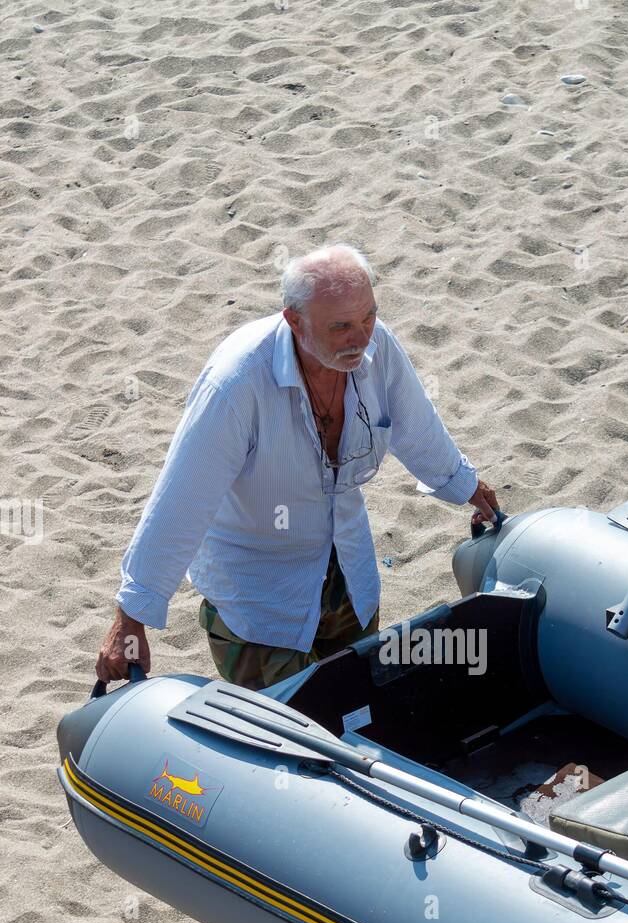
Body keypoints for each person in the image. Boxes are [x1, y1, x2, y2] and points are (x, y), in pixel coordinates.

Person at [96, 243, 500, 691]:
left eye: (368, 317)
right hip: (260, 599)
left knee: (359, 714)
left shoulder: (376, 347)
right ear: (294, 320)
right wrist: (130, 619)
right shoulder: (236, 384)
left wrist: (466, 486)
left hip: (350, 578)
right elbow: (181, 501)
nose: (361, 337)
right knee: (293, 737)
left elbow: (416, 426)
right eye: (341, 326)